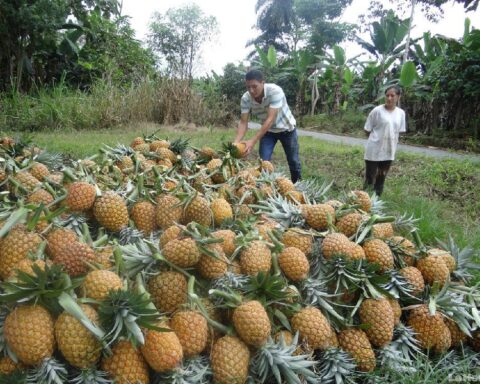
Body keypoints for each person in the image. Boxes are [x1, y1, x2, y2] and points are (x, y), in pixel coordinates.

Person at [234, 69, 302, 183]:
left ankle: (298, 188)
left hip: (287, 129)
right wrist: (236, 142)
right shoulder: (245, 98)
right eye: (248, 87)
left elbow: (270, 119)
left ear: (262, 83)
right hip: (268, 132)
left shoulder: (275, 91)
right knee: (263, 162)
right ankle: (266, 187)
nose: (251, 90)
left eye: (254, 86)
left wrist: (252, 141)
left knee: (293, 161)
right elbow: (243, 122)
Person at [363, 84, 406, 196]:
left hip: (389, 150)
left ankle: (376, 201)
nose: (389, 98)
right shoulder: (377, 111)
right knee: (370, 178)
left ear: (398, 97)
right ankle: (363, 202)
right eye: (387, 95)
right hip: (373, 150)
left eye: (392, 95)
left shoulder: (401, 113)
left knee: (381, 177)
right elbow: (367, 129)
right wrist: (375, 140)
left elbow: (398, 131)